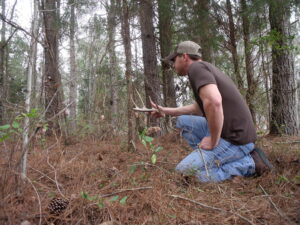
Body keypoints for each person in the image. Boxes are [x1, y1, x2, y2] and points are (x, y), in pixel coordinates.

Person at [151, 40, 273, 182]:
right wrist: (165, 111)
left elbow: (214, 102)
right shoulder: (204, 68)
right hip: (229, 132)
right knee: (183, 121)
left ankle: (249, 164)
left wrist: (213, 141)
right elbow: (198, 107)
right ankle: (212, 157)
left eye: (174, 59)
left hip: (235, 139)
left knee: (183, 173)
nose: (173, 64)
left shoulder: (196, 68)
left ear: (184, 57)